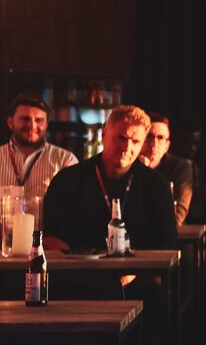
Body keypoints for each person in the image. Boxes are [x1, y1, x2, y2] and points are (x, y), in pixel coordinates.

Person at [41, 103, 177, 253]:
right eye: (121, 138)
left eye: (135, 141)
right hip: (79, 266)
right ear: (104, 135)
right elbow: (51, 237)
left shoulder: (156, 185)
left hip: (139, 267)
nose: (127, 147)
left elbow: (166, 243)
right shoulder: (68, 180)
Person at [0, 93, 77, 208]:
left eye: (39, 120)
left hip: (48, 221)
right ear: (10, 123)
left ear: (46, 125)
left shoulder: (65, 161)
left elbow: (75, 206)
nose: (32, 125)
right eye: (25, 119)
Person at [141, 114, 195, 227]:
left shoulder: (180, 167)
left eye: (160, 138)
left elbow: (177, 216)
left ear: (167, 146)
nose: (154, 143)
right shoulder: (128, 166)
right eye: (149, 136)